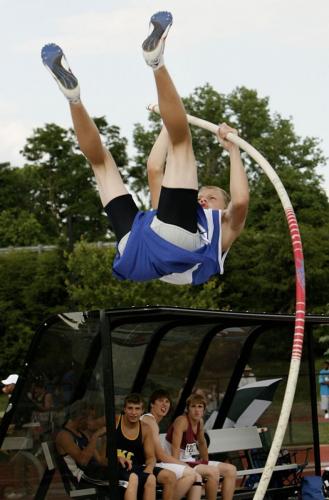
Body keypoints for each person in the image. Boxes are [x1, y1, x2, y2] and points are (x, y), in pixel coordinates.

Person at [41, 11, 249, 286]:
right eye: (203, 195)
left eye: (211, 198)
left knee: (182, 143)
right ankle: (74, 99)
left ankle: (156, 62)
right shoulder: (180, 213)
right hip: (136, 250)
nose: (204, 200)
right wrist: (170, 121)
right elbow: (153, 168)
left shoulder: (223, 224)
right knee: (101, 164)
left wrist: (233, 150)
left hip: (176, 249)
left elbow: (241, 201)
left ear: (223, 207)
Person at [55, 400, 138, 499]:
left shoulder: (82, 433)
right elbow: (83, 461)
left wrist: (117, 459)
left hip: (95, 473)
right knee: (126, 483)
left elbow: (100, 460)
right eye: (90, 419)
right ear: (80, 418)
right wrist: (96, 435)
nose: (91, 424)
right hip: (83, 480)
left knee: (132, 474)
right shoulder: (64, 436)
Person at [164, 393, 236, 500]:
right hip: (177, 462)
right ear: (187, 409)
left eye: (200, 406)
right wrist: (179, 469)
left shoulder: (200, 422)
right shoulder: (181, 421)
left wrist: (206, 462)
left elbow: (202, 443)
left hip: (191, 460)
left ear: (204, 409)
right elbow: (175, 449)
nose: (197, 410)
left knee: (231, 470)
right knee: (213, 472)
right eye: (193, 406)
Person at [141, 389, 202, 500]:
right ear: (152, 404)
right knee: (191, 474)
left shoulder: (153, 421)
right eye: (160, 401)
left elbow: (201, 445)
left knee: (196, 476)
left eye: (167, 401)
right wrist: (184, 465)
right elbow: (160, 455)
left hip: (153, 463)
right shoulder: (149, 420)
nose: (164, 404)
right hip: (145, 465)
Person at [117, 393, 176, 500]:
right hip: (117, 466)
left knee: (166, 477)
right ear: (124, 409)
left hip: (137, 466)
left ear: (142, 411)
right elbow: (103, 449)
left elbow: (151, 457)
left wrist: (148, 470)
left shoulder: (145, 428)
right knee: (135, 478)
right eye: (130, 408)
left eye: (137, 409)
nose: (134, 413)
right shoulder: (116, 421)